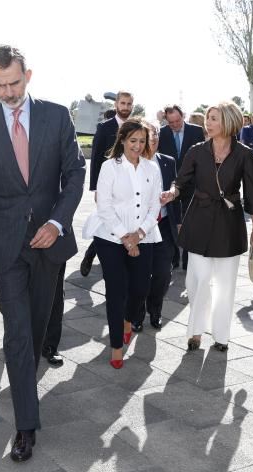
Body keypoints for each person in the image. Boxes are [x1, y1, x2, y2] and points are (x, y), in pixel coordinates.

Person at [0, 45, 85, 463]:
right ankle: (25, 426)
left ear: (28, 76)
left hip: (49, 244)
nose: (8, 93)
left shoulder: (56, 115)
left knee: (33, 330)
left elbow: (74, 174)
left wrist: (57, 222)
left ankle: (24, 383)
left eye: (14, 83)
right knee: (17, 332)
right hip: (6, 246)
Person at [160, 102, 253, 352]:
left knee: (225, 285)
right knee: (199, 280)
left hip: (229, 222)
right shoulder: (197, 151)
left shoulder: (246, 154)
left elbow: (252, 194)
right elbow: (181, 182)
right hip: (199, 219)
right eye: (207, 118)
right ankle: (195, 331)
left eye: (214, 118)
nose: (208, 123)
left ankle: (221, 336)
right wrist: (172, 193)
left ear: (228, 122)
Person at [83, 118, 162, 368]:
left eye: (142, 141)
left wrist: (138, 234)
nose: (137, 146)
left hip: (144, 235)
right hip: (110, 237)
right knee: (116, 291)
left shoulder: (152, 168)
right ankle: (117, 346)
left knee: (140, 289)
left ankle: (130, 319)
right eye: (132, 141)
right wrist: (125, 237)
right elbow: (104, 207)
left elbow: (155, 205)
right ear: (122, 141)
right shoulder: (110, 167)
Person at [131, 120, 180, 331]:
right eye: (150, 136)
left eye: (157, 135)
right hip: (139, 229)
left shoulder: (168, 161)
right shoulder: (133, 163)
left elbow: (177, 183)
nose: (154, 140)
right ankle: (137, 314)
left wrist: (171, 190)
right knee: (140, 275)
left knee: (163, 273)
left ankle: (156, 310)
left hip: (164, 227)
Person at [81, 90, 134, 277]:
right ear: (116, 105)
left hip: (131, 184)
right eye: (123, 103)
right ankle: (91, 254)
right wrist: (96, 188)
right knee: (108, 220)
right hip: (108, 184)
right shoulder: (104, 127)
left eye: (129, 104)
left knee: (125, 221)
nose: (125, 107)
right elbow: (95, 158)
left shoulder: (137, 126)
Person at [158, 104, 205, 269]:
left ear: (183, 116)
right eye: (171, 122)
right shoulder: (162, 133)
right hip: (170, 184)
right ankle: (173, 257)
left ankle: (187, 260)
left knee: (188, 221)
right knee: (171, 220)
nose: (175, 125)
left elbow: (202, 158)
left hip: (192, 184)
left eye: (177, 120)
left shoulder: (196, 131)